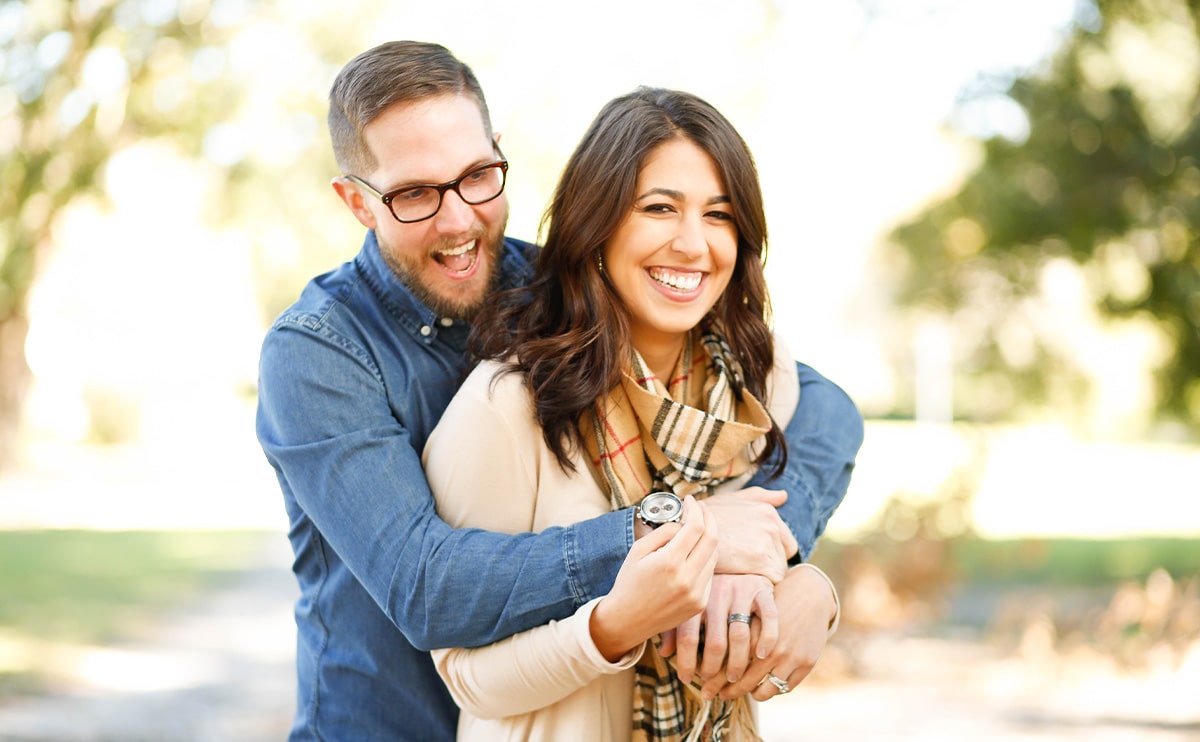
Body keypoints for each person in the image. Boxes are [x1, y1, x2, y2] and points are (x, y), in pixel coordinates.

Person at [255, 40, 864, 741]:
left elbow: (825, 409)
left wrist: (777, 556)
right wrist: (677, 531)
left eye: (477, 176)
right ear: (357, 203)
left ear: (499, 157)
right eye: (414, 193)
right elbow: (426, 586)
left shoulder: (562, 291)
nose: (459, 221)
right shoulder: (318, 352)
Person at [422, 86, 833, 741]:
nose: (693, 244)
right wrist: (616, 624)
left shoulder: (758, 379)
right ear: (598, 222)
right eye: (659, 208)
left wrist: (812, 590)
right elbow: (467, 677)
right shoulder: (507, 406)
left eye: (719, 215)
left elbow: (763, 546)